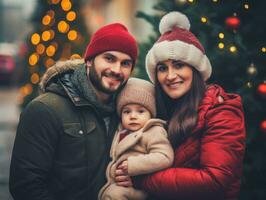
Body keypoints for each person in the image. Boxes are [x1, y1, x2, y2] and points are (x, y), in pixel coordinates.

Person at [115, 12, 246, 200]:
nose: (170, 76)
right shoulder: (160, 110)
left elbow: (215, 180)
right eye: (162, 68)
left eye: (178, 65)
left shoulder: (221, 111)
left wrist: (141, 178)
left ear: (194, 69)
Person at [9, 23, 138, 200]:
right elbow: (26, 187)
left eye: (125, 63)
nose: (116, 70)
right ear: (89, 60)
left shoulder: (129, 112)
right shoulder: (45, 110)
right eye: (109, 58)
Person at [98, 78, 174, 200]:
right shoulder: (119, 131)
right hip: (116, 182)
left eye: (140, 111)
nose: (133, 116)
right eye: (127, 112)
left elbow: (165, 156)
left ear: (151, 113)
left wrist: (134, 164)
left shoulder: (153, 131)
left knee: (113, 195)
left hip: (138, 187)